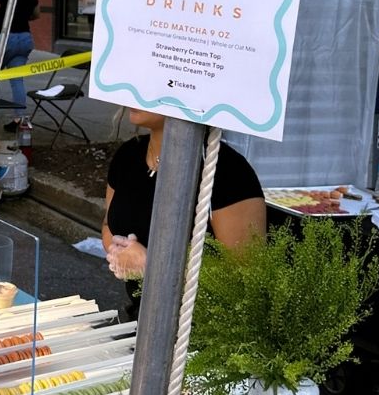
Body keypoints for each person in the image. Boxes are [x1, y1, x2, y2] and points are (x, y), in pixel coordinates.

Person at [102, 110, 266, 322]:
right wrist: (119, 255)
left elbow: (245, 274)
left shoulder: (227, 172)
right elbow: (109, 224)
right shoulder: (128, 154)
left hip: (208, 332)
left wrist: (153, 266)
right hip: (143, 318)